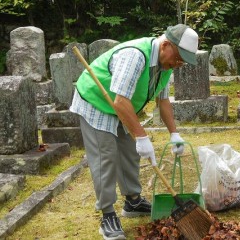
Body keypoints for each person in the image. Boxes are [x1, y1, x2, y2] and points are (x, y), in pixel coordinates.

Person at [70, 24, 198, 240]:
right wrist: (142, 136)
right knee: (106, 157)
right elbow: (120, 101)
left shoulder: (164, 66)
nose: (178, 64)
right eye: (178, 58)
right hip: (97, 101)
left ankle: (133, 201)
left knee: (129, 152)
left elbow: (163, 100)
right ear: (166, 45)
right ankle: (107, 214)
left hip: (123, 105)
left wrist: (174, 133)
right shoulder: (136, 56)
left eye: (182, 61)